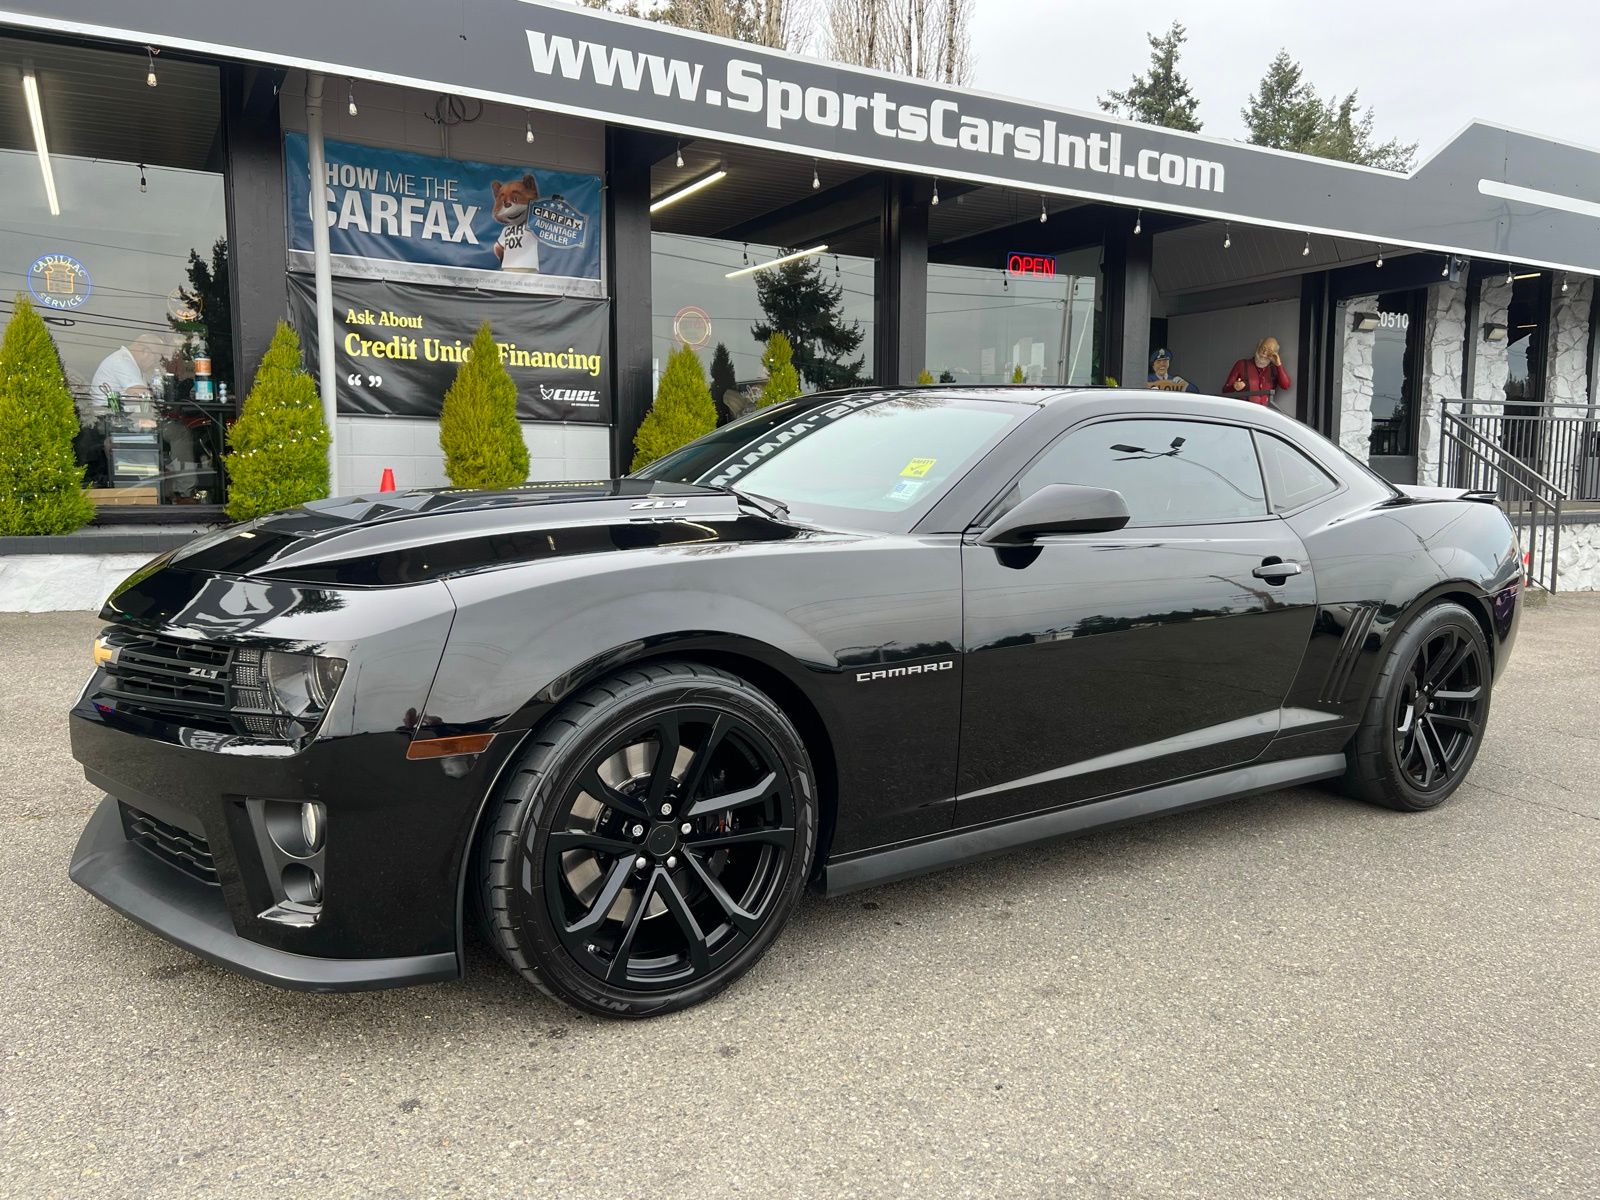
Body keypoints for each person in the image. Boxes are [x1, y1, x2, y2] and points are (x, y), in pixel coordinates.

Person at [90, 333, 171, 408]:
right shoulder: (122, 361)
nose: (155, 363)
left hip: (117, 415)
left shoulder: (132, 363)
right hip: (108, 417)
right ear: (144, 352)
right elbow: (142, 395)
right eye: (156, 359)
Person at [1223, 336, 1291, 406]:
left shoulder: (1274, 369)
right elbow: (1225, 390)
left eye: (1269, 351)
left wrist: (1279, 365)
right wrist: (1234, 387)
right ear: (1258, 347)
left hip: (1264, 413)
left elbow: (1286, 385)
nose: (1264, 352)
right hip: (1244, 411)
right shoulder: (1242, 364)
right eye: (1263, 348)